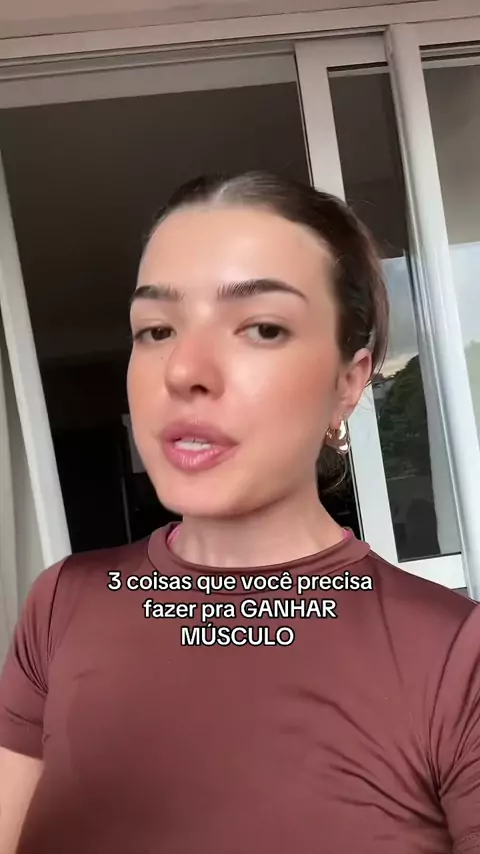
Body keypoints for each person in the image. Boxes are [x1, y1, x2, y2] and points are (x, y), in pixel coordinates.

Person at [0, 171, 479, 854]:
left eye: (262, 328)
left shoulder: (457, 659)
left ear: (349, 382)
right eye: (156, 329)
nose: (183, 370)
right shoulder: (61, 604)